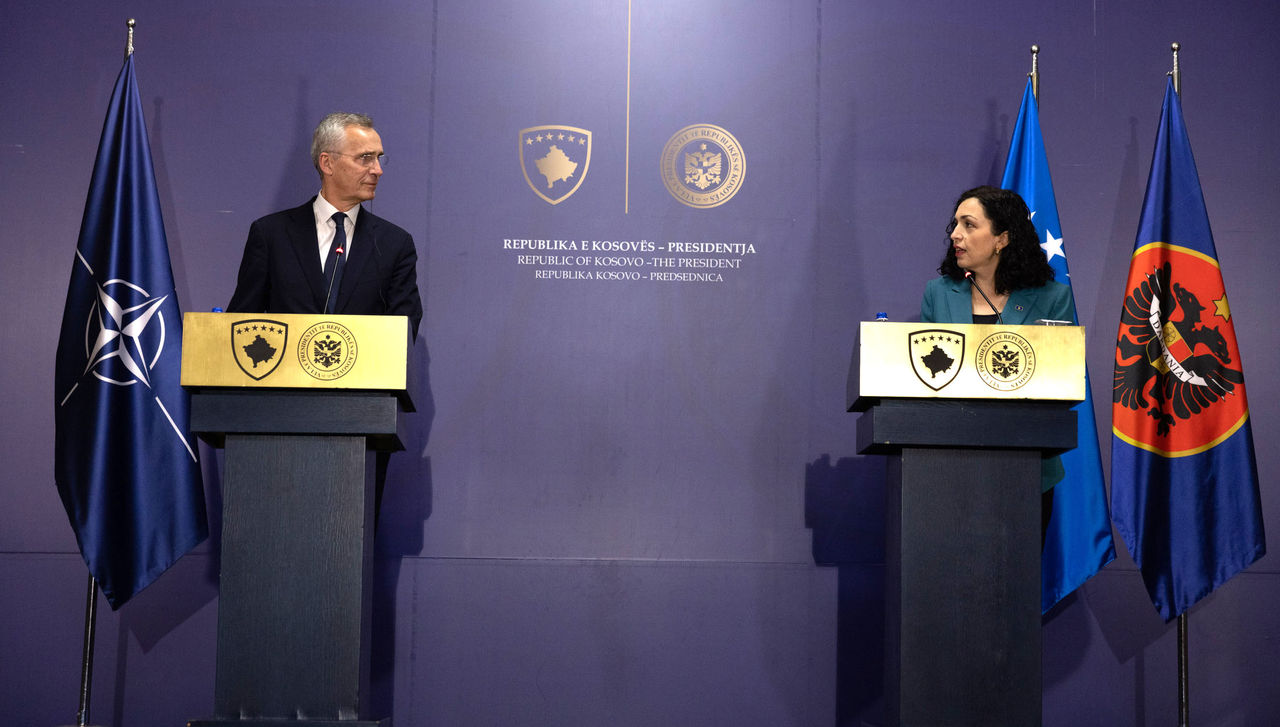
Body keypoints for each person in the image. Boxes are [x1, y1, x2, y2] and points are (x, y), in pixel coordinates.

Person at [920, 185, 1071, 534]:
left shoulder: (1053, 299)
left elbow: (1061, 383)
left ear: (1002, 238)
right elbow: (926, 382)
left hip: (1027, 467)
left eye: (969, 225)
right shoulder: (938, 294)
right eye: (956, 224)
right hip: (950, 465)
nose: (955, 234)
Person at [228, 112, 423, 338]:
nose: (377, 170)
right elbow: (240, 323)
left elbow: (403, 333)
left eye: (379, 158)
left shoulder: (395, 244)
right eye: (365, 158)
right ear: (327, 163)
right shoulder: (271, 235)